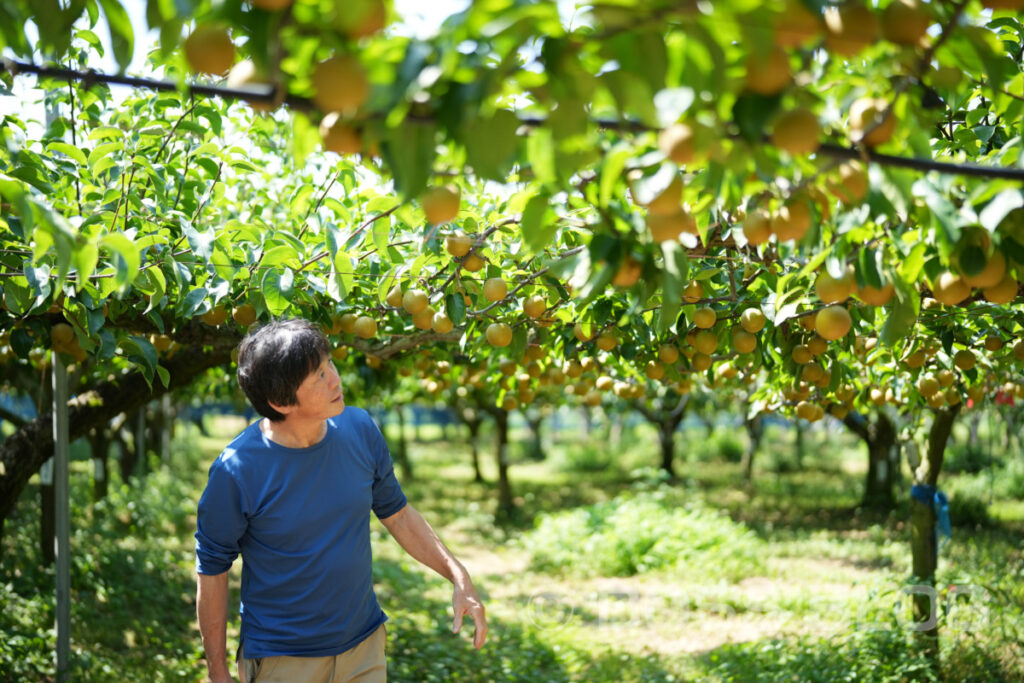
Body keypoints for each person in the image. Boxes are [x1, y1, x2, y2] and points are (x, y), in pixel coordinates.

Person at [195, 318, 487, 682]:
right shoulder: (236, 470)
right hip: (284, 658)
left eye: (328, 363)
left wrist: (458, 575)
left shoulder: (359, 429)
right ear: (280, 401)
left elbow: (398, 515)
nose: (335, 378)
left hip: (363, 647)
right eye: (317, 375)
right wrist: (218, 673)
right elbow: (213, 571)